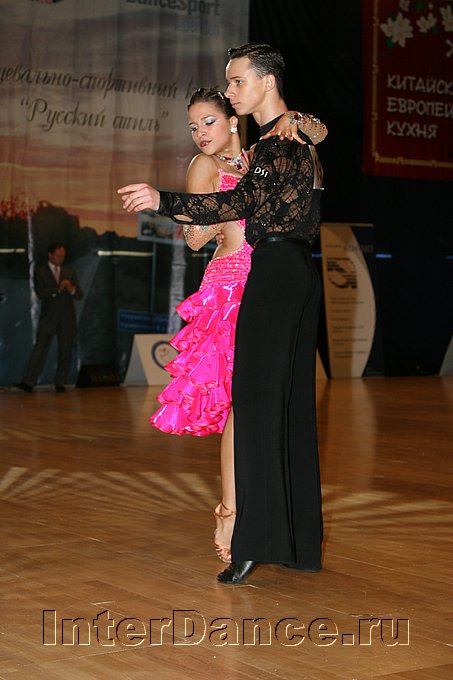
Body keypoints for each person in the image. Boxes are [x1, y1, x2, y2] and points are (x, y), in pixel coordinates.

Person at [118, 42, 325, 585]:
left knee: (258, 407)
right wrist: (193, 217)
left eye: (235, 86)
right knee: (253, 406)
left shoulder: (269, 150)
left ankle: (249, 525)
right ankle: (246, 521)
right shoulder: (220, 161)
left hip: (270, 280)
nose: (201, 131)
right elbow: (203, 231)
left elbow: (293, 162)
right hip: (244, 283)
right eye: (193, 125)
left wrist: (301, 122)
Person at [14, 242, 83, 393]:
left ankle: (60, 383)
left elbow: (79, 295)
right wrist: (57, 289)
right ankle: (29, 382)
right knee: (40, 350)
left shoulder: (69, 272)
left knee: (65, 351)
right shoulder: (40, 272)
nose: (60, 259)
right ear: (50, 255)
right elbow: (40, 293)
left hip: (67, 317)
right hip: (49, 317)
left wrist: (71, 289)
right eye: (58, 256)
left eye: (63, 256)